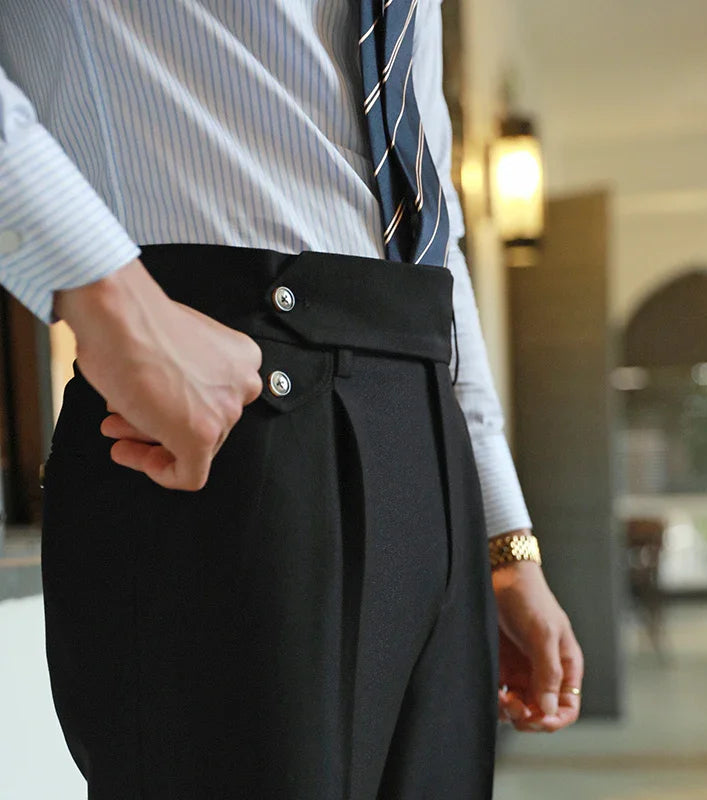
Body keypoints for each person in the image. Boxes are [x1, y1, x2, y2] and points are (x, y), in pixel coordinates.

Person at [0, 1, 583, 797]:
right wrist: (108, 298)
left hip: (425, 429)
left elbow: (423, 215)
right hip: (227, 413)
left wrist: (501, 535)